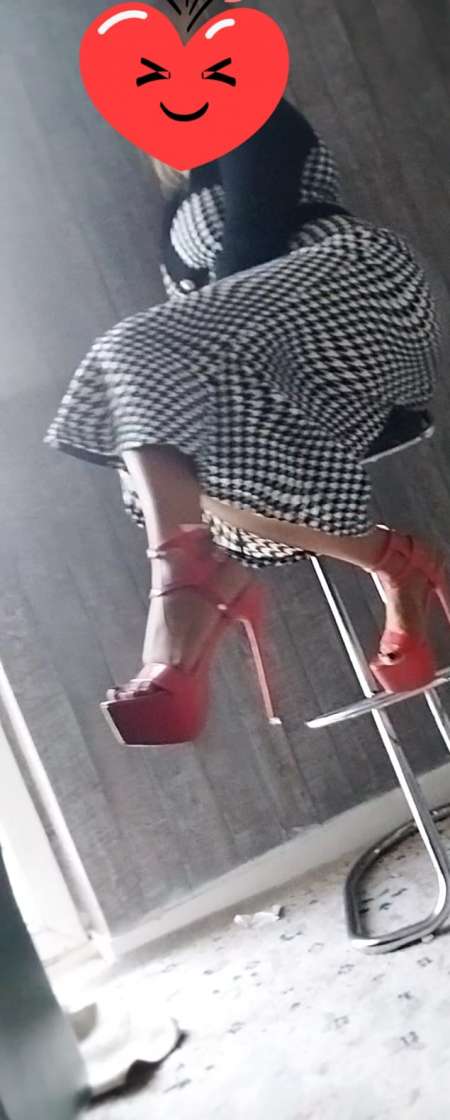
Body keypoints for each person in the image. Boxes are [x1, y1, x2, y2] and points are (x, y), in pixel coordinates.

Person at [45, 96, 447, 747]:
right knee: (167, 460)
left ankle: (190, 583)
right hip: (298, 375)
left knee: (133, 355)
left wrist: (200, 344)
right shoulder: (178, 204)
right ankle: (383, 563)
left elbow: (252, 239)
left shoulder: (252, 114)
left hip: (361, 295)